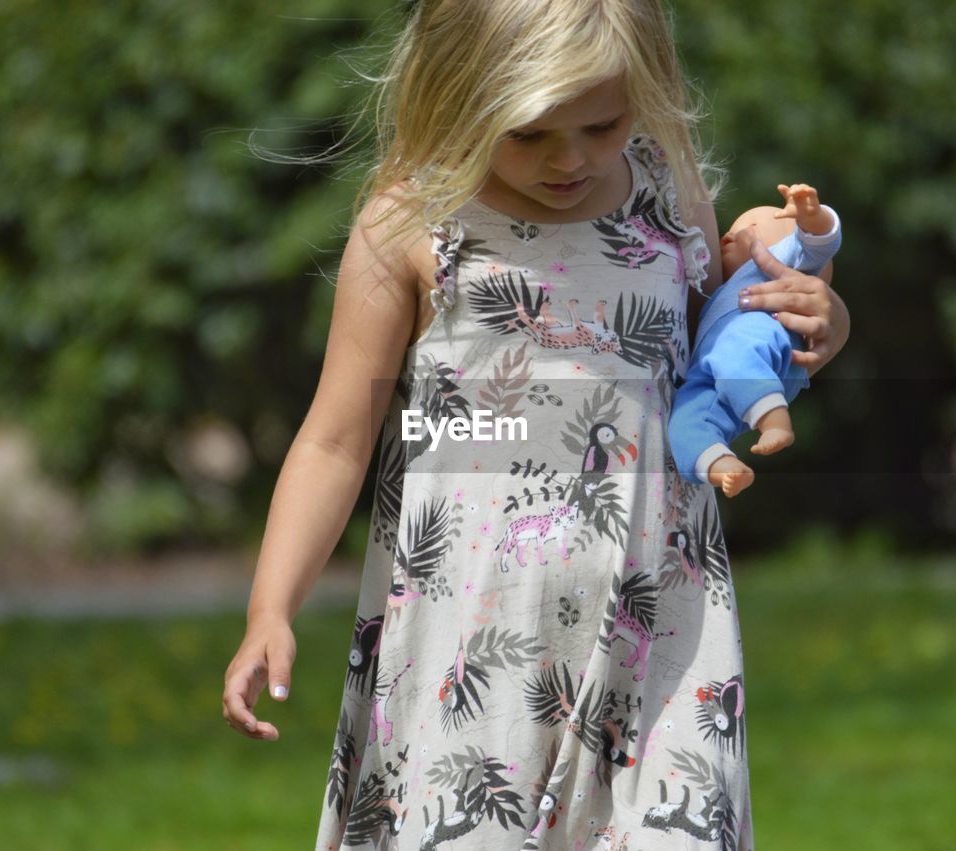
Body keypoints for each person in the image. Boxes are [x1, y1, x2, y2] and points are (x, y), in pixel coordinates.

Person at [220, 2, 851, 849]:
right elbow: (335, 439)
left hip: (659, 619)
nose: (573, 158)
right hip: (474, 634)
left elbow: (723, 351)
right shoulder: (413, 224)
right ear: (458, 97)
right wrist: (272, 608)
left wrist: (820, 324)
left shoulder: (665, 196)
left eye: (603, 123)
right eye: (527, 133)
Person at [668, 184, 841, 497]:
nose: (727, 238)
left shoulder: (773, 265)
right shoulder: (728, 288)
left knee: (735, 352)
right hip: (720, 372)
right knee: (685, 420)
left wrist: (814, 219)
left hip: (757, 335)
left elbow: (816, 246)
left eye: (748, 227)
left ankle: (773, 421)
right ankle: (720, 463)